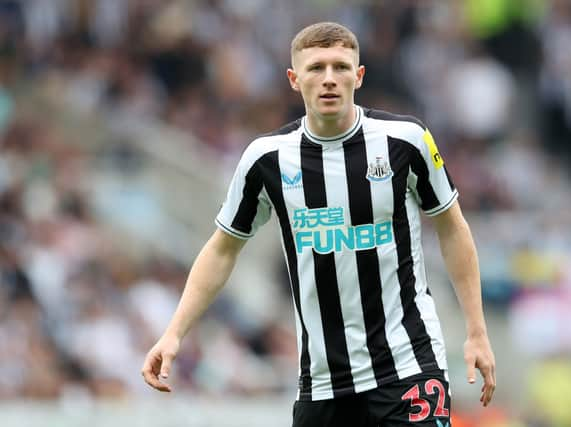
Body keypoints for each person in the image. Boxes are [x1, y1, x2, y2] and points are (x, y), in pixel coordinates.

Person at [142, 22, 496, 426]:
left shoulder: (406, 140)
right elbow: (222, 248)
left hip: (408, 364)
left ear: (358, 76)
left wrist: (477, 330)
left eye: (340, 67)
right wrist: (173, 332)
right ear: (294, 79)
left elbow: (452, 227)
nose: (329, 79)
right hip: (323, 382)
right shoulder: (266, 159)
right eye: (316, 68)